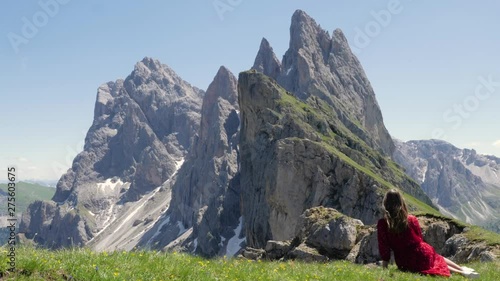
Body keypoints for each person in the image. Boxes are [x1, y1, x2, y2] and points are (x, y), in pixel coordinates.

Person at [377, 189, 479, 278]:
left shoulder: (383, 224)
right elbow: (419, 238)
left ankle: (462, 272)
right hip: (421, 251)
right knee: (437, 258)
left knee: (436, 262)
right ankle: (462, 270)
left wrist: (385, 266)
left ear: (386, 204)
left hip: (405, 261)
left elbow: (384, 248)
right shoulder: (411, 219)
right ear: (401, 203)